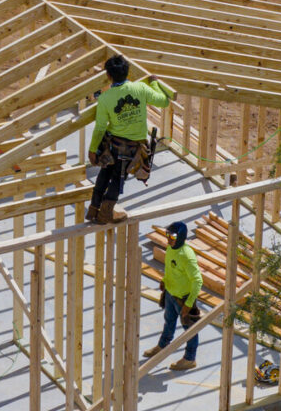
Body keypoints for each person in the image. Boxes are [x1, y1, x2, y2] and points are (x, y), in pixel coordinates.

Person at [86, 55, 172, 223]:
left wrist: (92, 149)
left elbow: (100, 128)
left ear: (108, 76)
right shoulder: (140, 88)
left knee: (105, 172)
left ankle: (94, 209)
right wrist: (154, 82)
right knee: (118, 178)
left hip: (114, 144)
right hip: (133, 147)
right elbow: (163, 102)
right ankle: (104, 215)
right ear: (128, 72)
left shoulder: (105, 98)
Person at [150, 220, 204, 371]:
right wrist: (165, 281)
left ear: (180, 237)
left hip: (184, 299)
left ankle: (190, 359)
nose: (168, 239)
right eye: (168, 235)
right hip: (171, 294)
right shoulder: (171, 249)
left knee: (190, 330)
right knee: (169, 321)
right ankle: (162, 346)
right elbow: (170, 269)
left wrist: (189, 304)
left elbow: (198, 280)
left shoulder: (187, 255)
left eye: (172, 236)